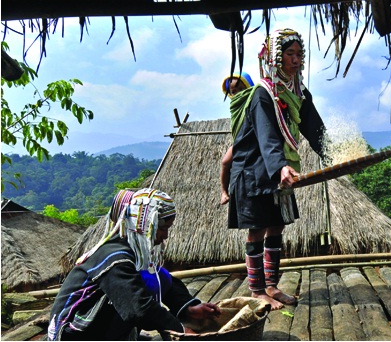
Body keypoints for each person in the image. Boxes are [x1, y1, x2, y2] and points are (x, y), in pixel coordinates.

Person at [226, 28, 326, 310]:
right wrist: (280, 166)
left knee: (277, 225)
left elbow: (314, 129)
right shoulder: (262, 94)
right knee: (257, 230)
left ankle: (271, 285)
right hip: (254, 171)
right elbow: (267, 137)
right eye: (289, 55)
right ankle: (257, 290)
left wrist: (335, 154)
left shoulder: (298, 92)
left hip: (277, 169)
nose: (296, 61)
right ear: (274, 59)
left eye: (299, 55)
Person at [47, 189, 221, 340]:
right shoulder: (114, 258)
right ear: (144, 224)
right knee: (143, 287)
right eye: (162, 228)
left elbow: (162, 280)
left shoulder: (133, 255)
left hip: (100, 328)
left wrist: (188, 308)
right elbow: (138, 305)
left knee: (154, 276)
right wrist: (180, 330)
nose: (165, 236)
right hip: (77, 334)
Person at [219, 72, 254, 206]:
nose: (238, 93)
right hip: (239, 142)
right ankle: (223, 192)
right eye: (234, 91)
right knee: (225, 162)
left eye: (241, 89)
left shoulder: (253, 100)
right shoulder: (235, 107)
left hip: (250, 140)